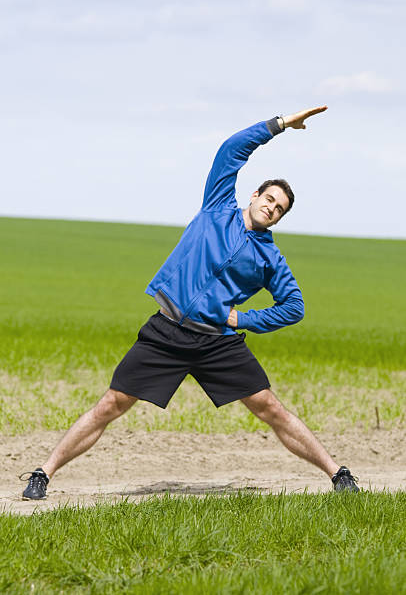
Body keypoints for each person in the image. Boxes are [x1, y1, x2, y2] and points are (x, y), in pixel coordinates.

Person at [21, 105, 359, 500]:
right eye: (268, 198)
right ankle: (43, 473)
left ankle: (339, 475)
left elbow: (293, 306)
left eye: (279, 208)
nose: (271, 207)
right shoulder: (216, 208)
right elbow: (231, 150)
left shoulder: (271, 259)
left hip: (217, 341)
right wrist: (279, 125)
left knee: (270, 408)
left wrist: (243, 319)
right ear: (254, 195)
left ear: (280, 219)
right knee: (112, 403)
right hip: (167, 330)